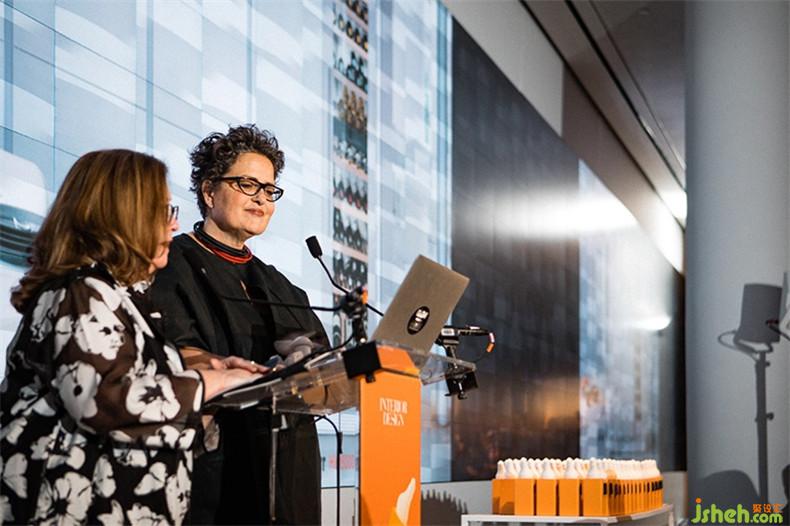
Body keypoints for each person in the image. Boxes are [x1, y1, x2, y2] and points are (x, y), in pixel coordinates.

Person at [0, 149, 260, 525]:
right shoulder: (82, 292)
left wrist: (215, 370)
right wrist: (211, 381)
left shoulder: (121, 297)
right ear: (123, 215)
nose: (174, 226)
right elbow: (103, 400)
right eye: (164, 212)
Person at [150, 124, 326, 524]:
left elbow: (318, 360)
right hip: (216, 469)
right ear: (209, 192)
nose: (261, 198)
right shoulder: (169, 265)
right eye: (248, 184)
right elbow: (174, 356)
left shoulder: (279, 285)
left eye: (269, 189)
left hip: (286, 468)